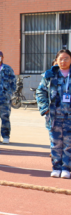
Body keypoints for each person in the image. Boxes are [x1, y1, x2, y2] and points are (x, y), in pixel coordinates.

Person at [37, 49, 71, 178]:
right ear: (56, 60)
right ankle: (56, 167)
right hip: (54, 116)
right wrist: (45, 108)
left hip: (69, 116)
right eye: (60, 59)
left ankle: (66, 168)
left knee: (69, 143)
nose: (63, 61)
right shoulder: (49, 75)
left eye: (66, 58)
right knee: (55, 143)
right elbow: (40, 92)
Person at [0, 50, 16, 144]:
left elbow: (13, 83)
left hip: (4, 99)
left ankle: (6, 136)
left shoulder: (7, 69)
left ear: (2, 57)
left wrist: (9, 94)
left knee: (5, 117)